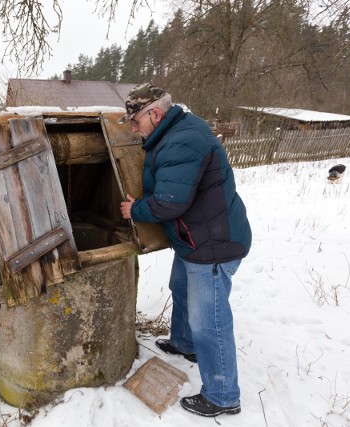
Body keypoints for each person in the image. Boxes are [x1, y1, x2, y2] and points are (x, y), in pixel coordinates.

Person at [118, 83, 252, 417]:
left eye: (136, 122)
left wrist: (135, 210)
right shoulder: (176, 130)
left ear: (155, 113)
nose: (134, 129)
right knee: (180, 287)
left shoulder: (182, 140)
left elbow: (169, 203)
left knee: (210, 321)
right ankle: (183, 342)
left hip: (213, 244)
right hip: (195, 237)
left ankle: (223, 395)